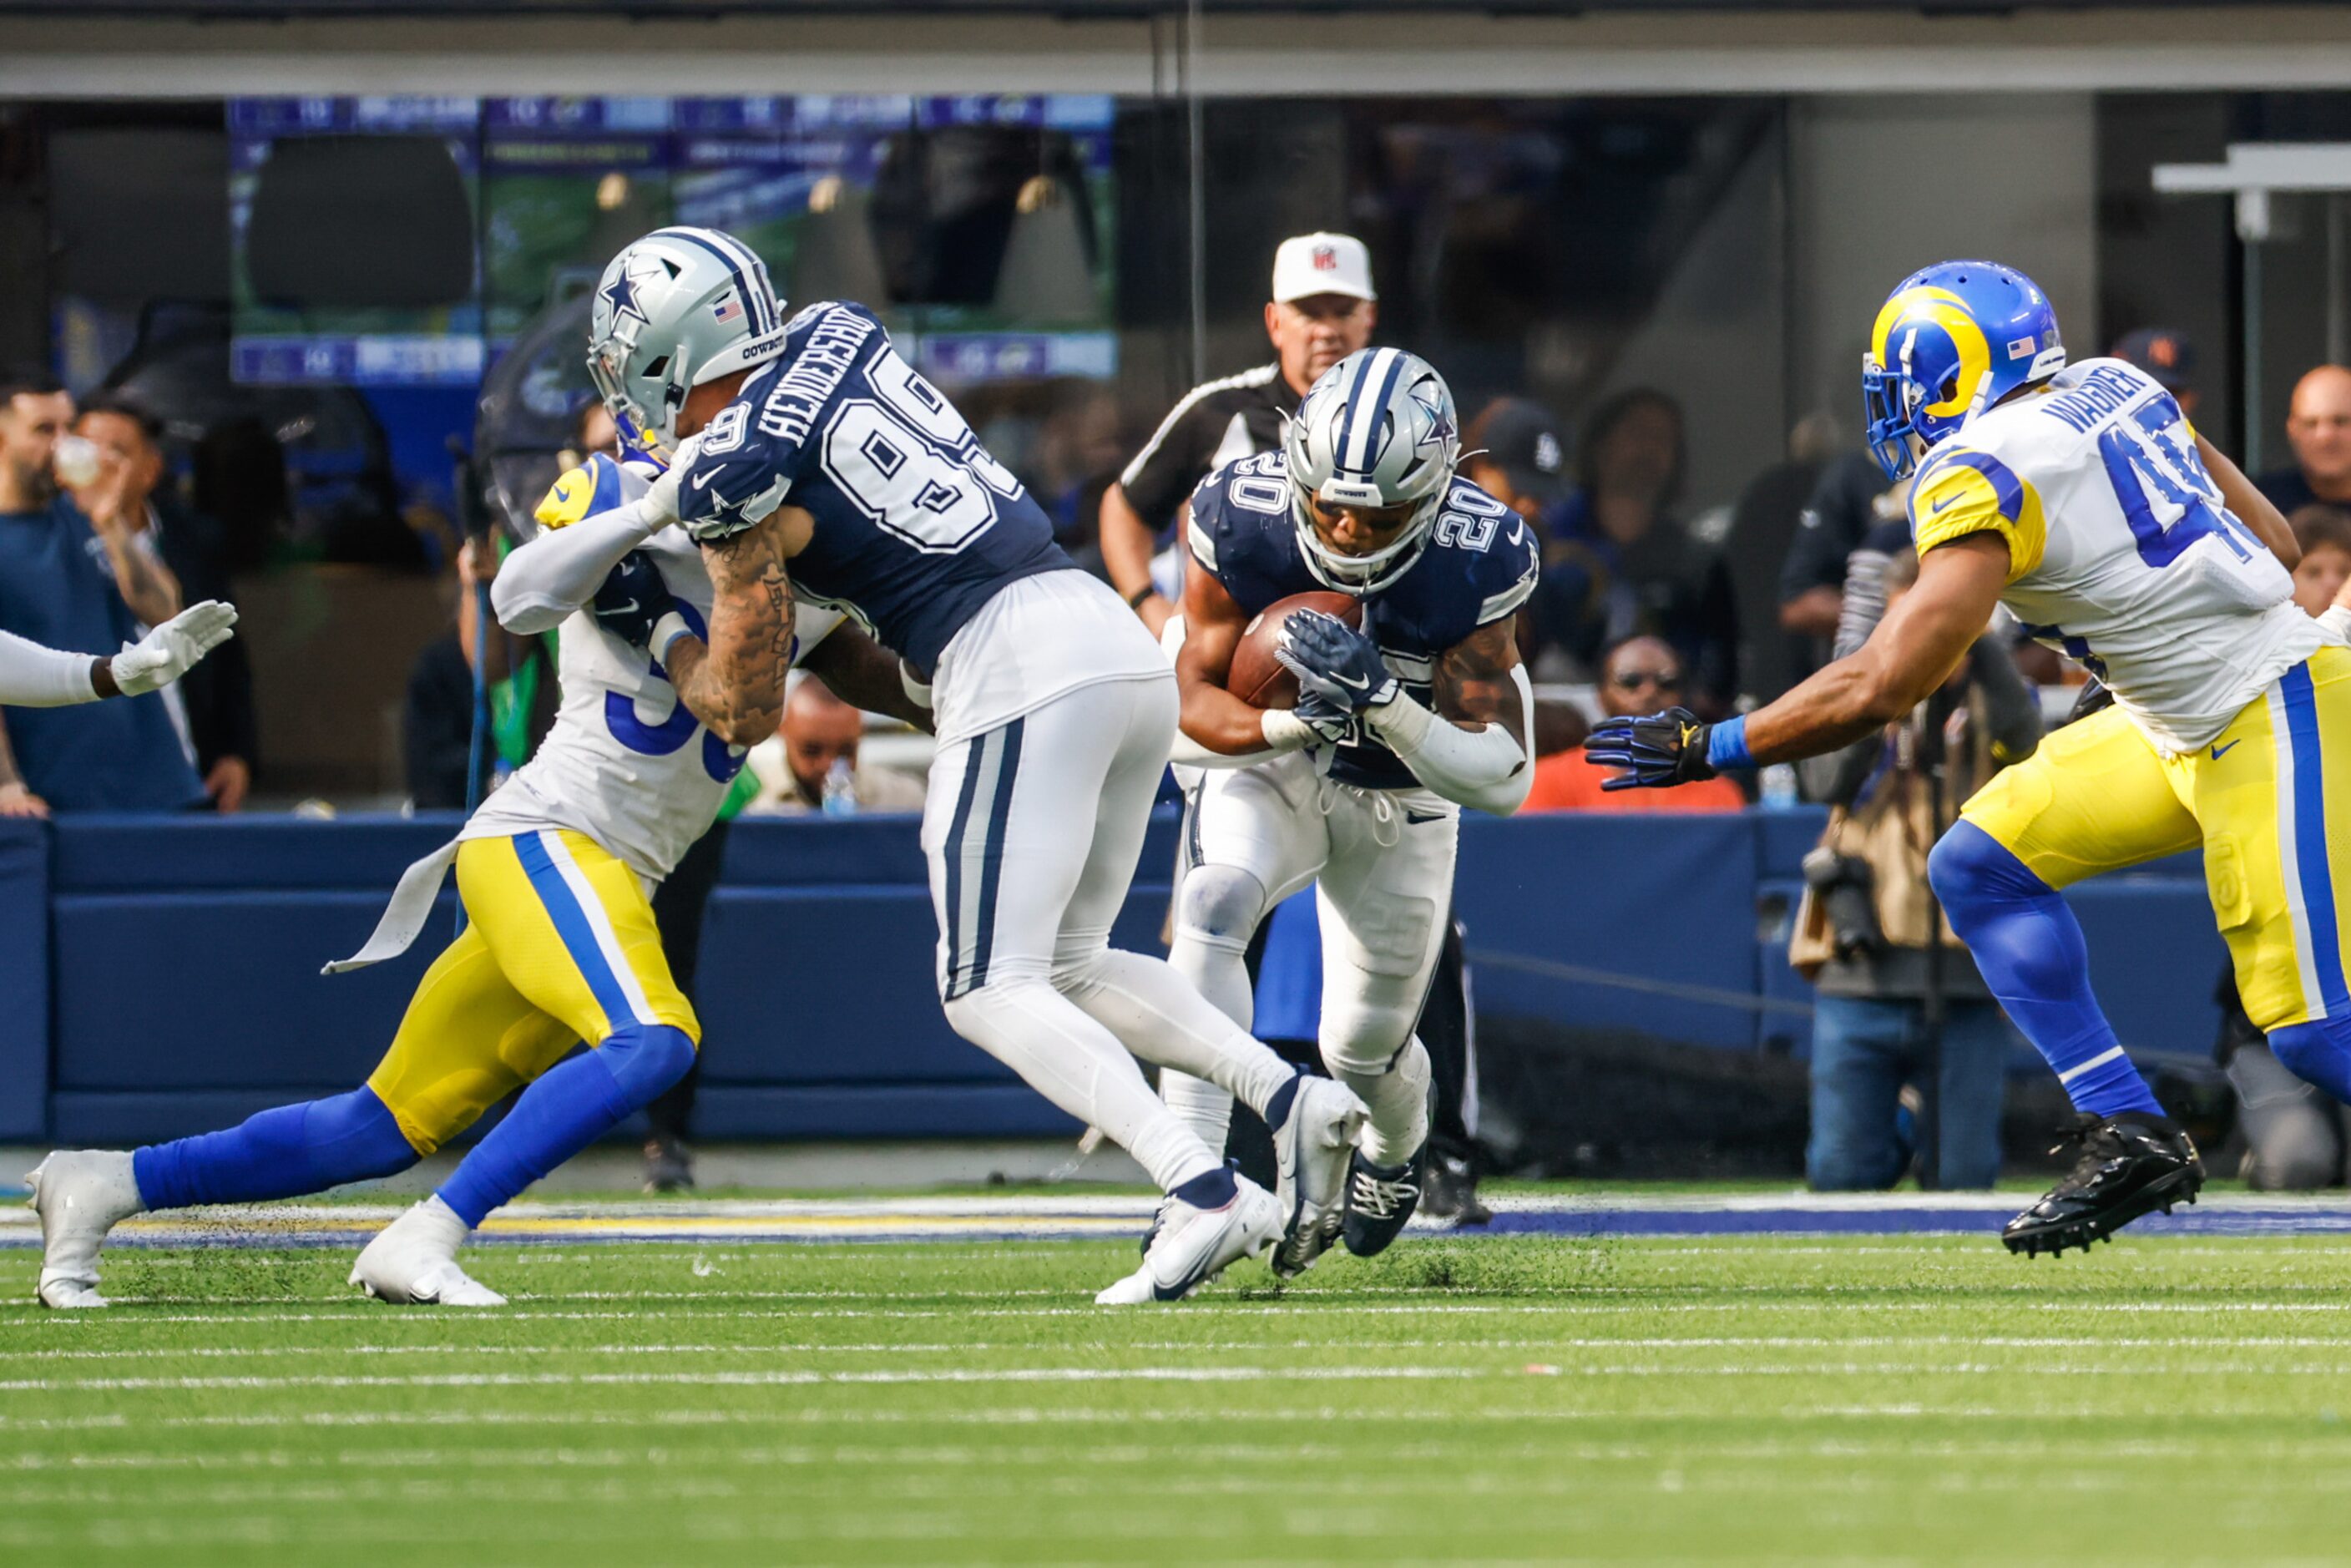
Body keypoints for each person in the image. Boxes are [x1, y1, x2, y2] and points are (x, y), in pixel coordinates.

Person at [589, 225, 1369, 1306]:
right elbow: (865, 614)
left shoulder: (732, 469)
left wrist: (654, 628)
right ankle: (1293, 1102)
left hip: (1011, 659)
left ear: (665, 354)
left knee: (982, 986)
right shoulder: (835, 332)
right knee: (1070, 960)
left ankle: (1202, 1185)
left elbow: (746, 704)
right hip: (1096, 627)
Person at [27, 446, 923, 1308]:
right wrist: (650, 511)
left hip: (605, 867)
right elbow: (518, 597)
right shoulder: (623, 490)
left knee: (378, 1128)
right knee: (653, 1037)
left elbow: (867, 669)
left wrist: (979, 696)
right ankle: (431, 1231)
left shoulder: (798, 546)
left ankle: (104, 1182)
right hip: (548, 835)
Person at [1591, 258, 2338, 1257]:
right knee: (1977, 863)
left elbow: (1881, 684)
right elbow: (2279, 544)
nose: (1891, 412)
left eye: (1898, 386)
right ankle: (2131, 1132)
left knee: (2312, 1034)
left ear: (1952, 373)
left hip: (2270, 705)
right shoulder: (2120, 382)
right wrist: (2136, 645)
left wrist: (1712, 742)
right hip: (2182, 714)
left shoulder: (1980, 467)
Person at [1161, 347, 1539, 1263]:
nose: (1345, 526)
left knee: (1360, 1047)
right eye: (1327, 500)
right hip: (1276, 763)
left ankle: (1396, 1150)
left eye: (1378, 513)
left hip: (1400, 792)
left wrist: (1384, 706)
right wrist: (1293, 725)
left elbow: (1504, 778)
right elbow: (1184, 713)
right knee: (1211, 904)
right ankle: (1192, 1184)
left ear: (1436, 489)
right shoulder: (1236, 519)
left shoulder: (1476, 557)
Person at [1795, 544, 2041, 1191]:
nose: (1924, 648)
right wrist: (1879, 693)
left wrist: (1979, 642)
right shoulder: (1860, 695)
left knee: (1965, 1177)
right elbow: (1823, 781)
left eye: (1941, 629)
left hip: (1965, 975)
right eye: (1909, 629)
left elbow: (2028, 755)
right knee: (1841, 1174)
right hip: (1862, 967)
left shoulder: (1991, 698)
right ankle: (1897, 1135)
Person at [1100, 233, 1378, 636]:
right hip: (1227, 659)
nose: (1327, 330)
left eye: (1342, 311)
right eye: (1309, 312)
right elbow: (1124, 507)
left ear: (1369, 317)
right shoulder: (1217, 411)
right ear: (1275, 322)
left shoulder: (1405, 419)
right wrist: (1148, 605)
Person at [0, 366, 208, 814]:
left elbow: (166, 613)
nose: (63, 444)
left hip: (162, 787)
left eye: (68, 428)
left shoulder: (87, 514)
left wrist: (111, 520)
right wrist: (5, 784)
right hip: (57, 801)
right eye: (43, 430)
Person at [73, 393, 259, 812]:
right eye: (86, 448)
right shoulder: (49, 538)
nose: (99, 462)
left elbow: (225, 651)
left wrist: (237, 751)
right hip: (90, 782)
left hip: (187, 775)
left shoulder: (192, 540)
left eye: (116, 451)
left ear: (150, 469)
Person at [1526, 388, 1737, 707]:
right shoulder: (1542, 542)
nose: (1649, 448)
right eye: (1638, 433)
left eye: (1663, 439)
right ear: (1600, 447)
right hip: (1555, 726)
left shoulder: (1695, 561)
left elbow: (1719, 668)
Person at [1521, 635, 1746, 813]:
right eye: (1631, 681)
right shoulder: (1551, 781)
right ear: (1602, 694)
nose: (1649, 692)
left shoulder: (1719, 792)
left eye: (1666, 683)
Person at [743, 677, 928, 815]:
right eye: (812, 751)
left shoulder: (902, 803)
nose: (829, 765)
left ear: (860, 735)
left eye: (846, 751)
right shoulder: (751, 805)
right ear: (783, 732)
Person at [2260, 365, 2351, 515]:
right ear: (2292, 431)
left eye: (2340, 421)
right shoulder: (2260, 506)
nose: (2325, 436)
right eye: (2311, 424)